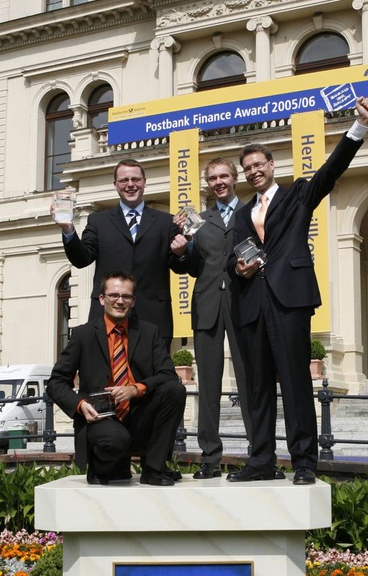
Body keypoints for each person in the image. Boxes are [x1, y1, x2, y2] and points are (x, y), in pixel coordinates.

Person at [227, 94, 368, 485]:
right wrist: (239, 268)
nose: (254, 172)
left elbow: (330, 171)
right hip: (251, 305)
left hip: (289, 300)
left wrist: (358, 126)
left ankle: (304, 462)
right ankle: (260, 459)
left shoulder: (297, 195)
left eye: (259, 165)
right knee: (256, 386)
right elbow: (233, 256)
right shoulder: (242, 214)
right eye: (248, 168)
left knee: (295, 381)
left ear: (272, 166)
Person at [47, 272, 186, 487]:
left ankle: (154, 469)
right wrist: (80, 405)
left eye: (126, 296)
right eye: (113, 295)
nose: (120, 301)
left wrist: (136, 389)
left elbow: (168, 375)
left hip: (138, 414)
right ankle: (102, 467)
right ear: (102, 299)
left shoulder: (149, 333)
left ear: (133, 301)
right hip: (100, 418)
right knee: (115, 440)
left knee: (175, 391)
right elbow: (55, 383)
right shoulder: (83, 335)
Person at [173, 157, 252, 478]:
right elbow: (190, 266)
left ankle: (259, 453)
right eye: (212, 178)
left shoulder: (252, 212)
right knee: (207, 384)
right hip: (206, 304)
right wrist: (182, 250)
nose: (218, 181)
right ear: (208, 183)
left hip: (243, 302)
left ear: (235, 179)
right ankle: (209, 457)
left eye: (224, 176)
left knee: (251, 381)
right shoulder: (197, 220)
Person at [56, 158, 188, 344]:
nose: (130, 185)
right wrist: (68, 230)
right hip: (107, 317)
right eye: (124, 180)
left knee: (151, 374)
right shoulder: (98, 221)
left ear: (144, 182)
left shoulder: (166, 222)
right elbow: (82, 259)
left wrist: (181, 252)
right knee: (107, 373)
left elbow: (181, 267)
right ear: (115, 185)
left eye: (136, 179)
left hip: (153, 318)